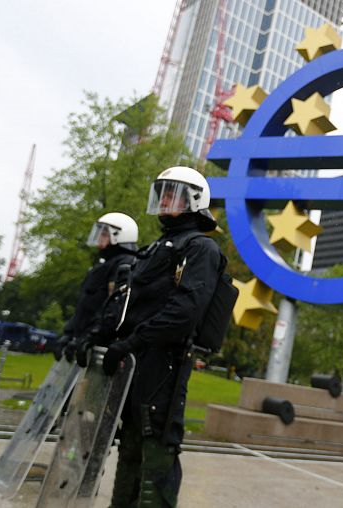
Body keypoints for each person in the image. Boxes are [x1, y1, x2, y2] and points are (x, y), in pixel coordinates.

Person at [99, 166, 226, 507]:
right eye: (163, 192)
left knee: (156, 453)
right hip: (134, 365)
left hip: (162, 369)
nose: (165, 199)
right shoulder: (156, 247)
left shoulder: (201, 249)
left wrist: (131, 343)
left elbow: (183, 313)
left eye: (173, 193)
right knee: (129, 451)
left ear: (194, 200)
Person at [52, 212, 138, 364]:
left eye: (104, 233)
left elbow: (114, 306)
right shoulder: (101, 265)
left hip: (100, 343)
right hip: (83, 340)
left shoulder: (125, 264)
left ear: (119, 236)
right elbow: (84, 307)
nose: (99, 237)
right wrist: (69, 332)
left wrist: (93, 335)